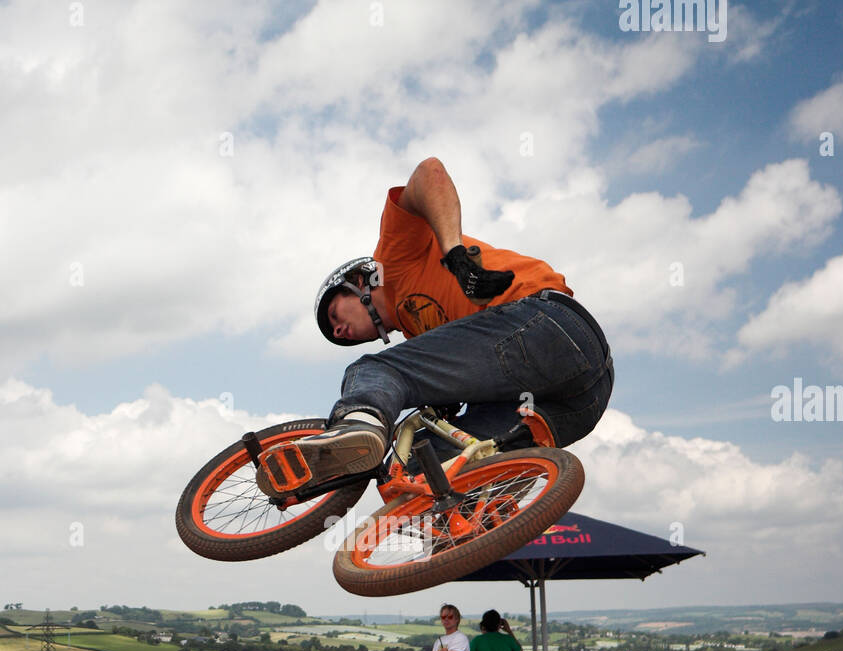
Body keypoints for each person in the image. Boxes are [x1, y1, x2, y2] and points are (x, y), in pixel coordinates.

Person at [257, 157, 614, 497]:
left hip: (549, 327)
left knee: (374, 369)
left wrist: (454, 252)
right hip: (580, 403)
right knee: (427, 470)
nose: (338, 332)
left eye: (335, 315)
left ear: (357, 282)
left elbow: (430, 172)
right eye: (336, 335)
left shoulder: (392, 261)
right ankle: (477, 526)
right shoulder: (430, 344)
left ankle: (359, 423)